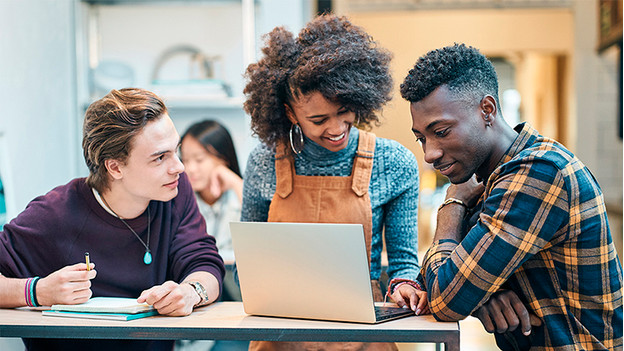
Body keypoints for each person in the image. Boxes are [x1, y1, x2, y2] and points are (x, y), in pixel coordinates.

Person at [401, 43, 623, 350]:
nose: (430, 153)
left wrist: (451, 206)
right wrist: (480, 298)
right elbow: (435, 280)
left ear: (487, 110)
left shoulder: (539, 174)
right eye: (422, 138)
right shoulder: (494, 180)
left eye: (441, 131)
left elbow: (444, 298)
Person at [242, 14, 428, 350]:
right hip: (282, 330)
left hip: (362, 333)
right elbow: (248, 264)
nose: (336, 127)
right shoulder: (264, 161)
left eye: (344, 110)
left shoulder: (394, 162)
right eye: (318, 119)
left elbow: (403, 262)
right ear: (289, 113)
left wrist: (403, 285)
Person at [0, 88, 225, 351]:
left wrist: (192, 291)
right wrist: (36, 291)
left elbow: (205, 262)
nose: (179, 167)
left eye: (176, 151)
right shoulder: (53, 214)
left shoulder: (174, 189)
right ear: (115, 167)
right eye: (160, 157)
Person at [178, 119, 247, 351]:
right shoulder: (181, 204)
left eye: (199, 159)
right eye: (185, 160)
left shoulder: (241, 198)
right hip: (195, 315)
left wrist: (237, 184)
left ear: (223, 158)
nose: (190, 169)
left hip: (239, 311)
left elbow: (261, 239)